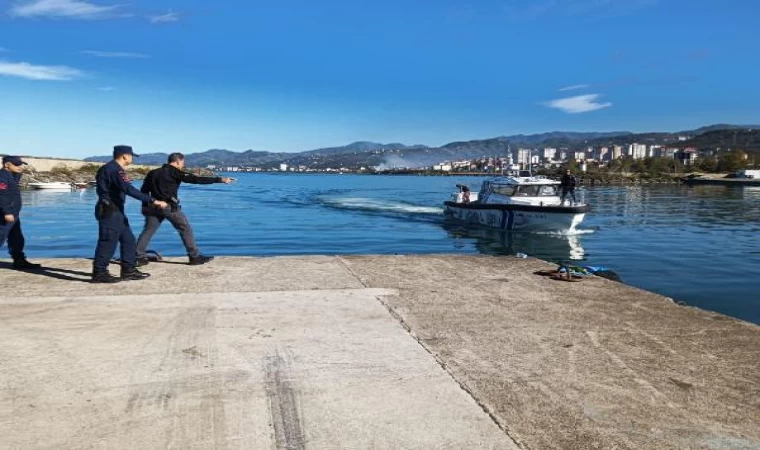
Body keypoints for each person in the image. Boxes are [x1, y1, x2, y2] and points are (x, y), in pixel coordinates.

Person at [136, 152, 234, 266]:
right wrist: (220, 180)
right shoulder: (175, 172)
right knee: (185, 228)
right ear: (178, 161)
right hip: (169, 207)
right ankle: (194, 257)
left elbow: (143, 191)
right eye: (182, 162)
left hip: (153, 206)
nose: (182, 165)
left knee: (148, 230)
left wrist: (145, 206)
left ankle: (138, 256)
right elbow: (195, 179)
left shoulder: (153, 173)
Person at [92, 145, 168, 283]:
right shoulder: (114, 170)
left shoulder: (113, 168)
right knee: (108, 242)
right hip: (110, 210)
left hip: (116, 211)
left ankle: (128, 270)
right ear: (124, 156)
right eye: (131, 155)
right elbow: (127, 189)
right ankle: (99, 273)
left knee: (128, 240)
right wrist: (152, 200)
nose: (132, 158)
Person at [0, 155, 42, 270]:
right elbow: (1, 195)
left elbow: (13, 185)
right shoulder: (2, 176)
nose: (20, 166)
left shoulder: (11, 175)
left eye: (21, 164)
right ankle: (19, 260)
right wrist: (7, 212)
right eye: (17, 164)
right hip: (5, 214)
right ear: (7, 164)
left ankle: (19, 261)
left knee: (17, 238)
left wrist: (18, 172)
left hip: (14, 214)